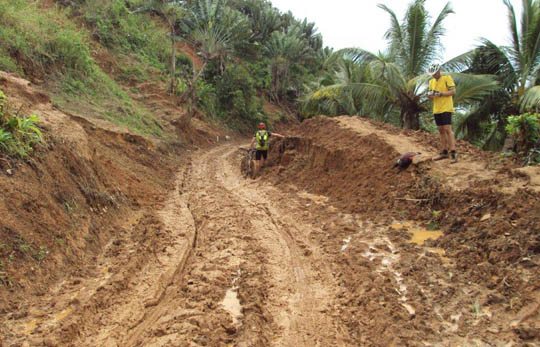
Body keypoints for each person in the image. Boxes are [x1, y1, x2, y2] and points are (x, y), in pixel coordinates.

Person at [428, 63, 457, 163]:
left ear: (439, 71)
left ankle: (453, 152)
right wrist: (430, 95)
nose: (434, 75)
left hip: (446, 107)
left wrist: (441, 94)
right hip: (437, 108)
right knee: (440, 130)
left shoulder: (446, 78)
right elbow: (432, 96)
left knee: (447, 129)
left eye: (435, 73)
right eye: (432, 74)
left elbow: (453, 91)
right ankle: (444, 151)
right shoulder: (431, 82)